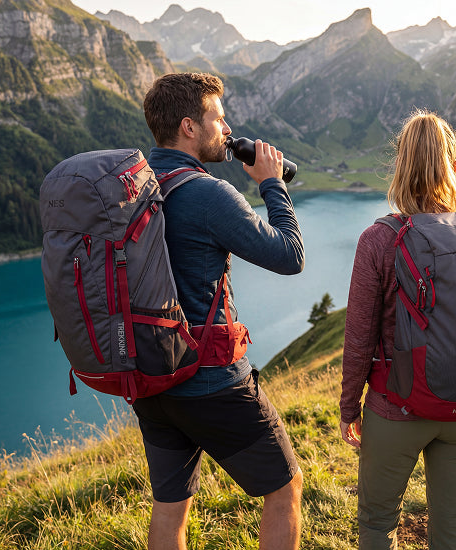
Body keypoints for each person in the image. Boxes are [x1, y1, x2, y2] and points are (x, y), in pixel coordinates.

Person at [134, 72, 304, 550]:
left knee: (171, 505)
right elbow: (290, 256)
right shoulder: (208, 194)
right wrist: (272, 185)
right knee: (285, 487)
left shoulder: (137, 186)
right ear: (189, 126)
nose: (227, 130)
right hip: (210, 381)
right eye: (218, 118)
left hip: (151, 379)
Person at [339, 109, 456, 549]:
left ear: (400, 167)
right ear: (453, 168)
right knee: (451, 526)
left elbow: (359, 336)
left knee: (378, 523)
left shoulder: (379, 239)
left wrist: (350, 407)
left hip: (396, 408)